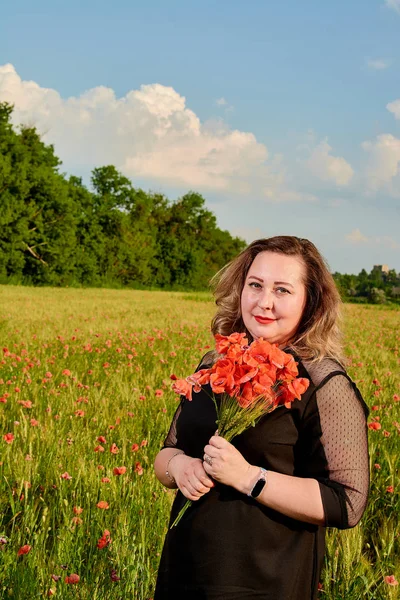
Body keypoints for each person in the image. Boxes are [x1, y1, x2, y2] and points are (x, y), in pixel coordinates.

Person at [153, 236, 370, 600]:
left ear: (310, 301)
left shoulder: (322, 382)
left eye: (282, 290)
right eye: (255, 285)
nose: (263, 302)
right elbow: (167, 452)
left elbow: (347, 503)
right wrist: (180, 467)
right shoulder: (215, 363)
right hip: (185, 570)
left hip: (265, 582)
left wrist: (248, 477)